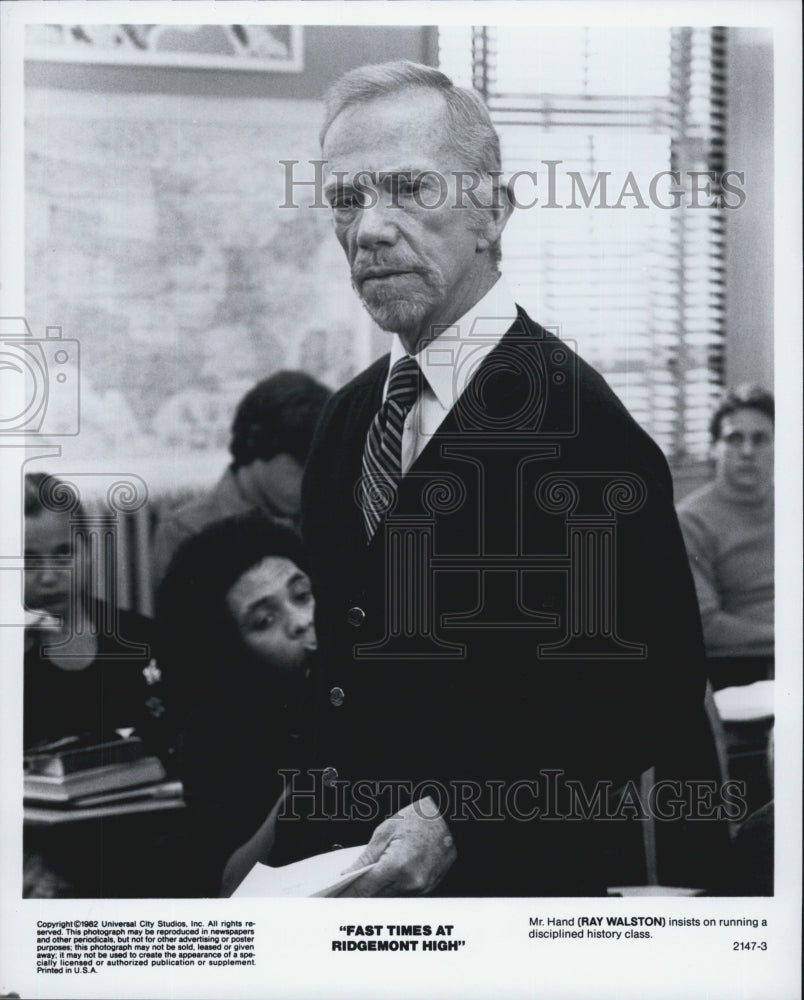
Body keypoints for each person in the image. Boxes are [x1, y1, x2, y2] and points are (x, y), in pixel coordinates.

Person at [267, 61, 709, 896]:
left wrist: (457, 819)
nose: (369, 229)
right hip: (341, 886)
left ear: (492, 213)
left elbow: (650, 690)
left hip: (511, 898)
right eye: (347, 199)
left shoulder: (582, 426)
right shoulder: (347, 420)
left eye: (407, 189)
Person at [155, 514, 316, 895]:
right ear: (231, 649)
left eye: (302, 595)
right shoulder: (213, 734)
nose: (301, 621)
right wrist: (308, 785)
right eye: (264, 620)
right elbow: (230, 886)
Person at [23, 473, 170, 758]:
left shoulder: (140, 638)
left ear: (87, 551)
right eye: (28, 561)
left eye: (64, 553)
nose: (50, 577)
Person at [151, 370, 331, 585]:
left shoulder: (323, 517)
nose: (317, 486)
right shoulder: (185, 532)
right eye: (303, 468)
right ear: (258, 444)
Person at [677, 385, 774, 665]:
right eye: (733, 438)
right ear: (713, 449)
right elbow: (705, 625)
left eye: (760, 439)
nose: (747, 451)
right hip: (748, 666)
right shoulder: (691, 521)